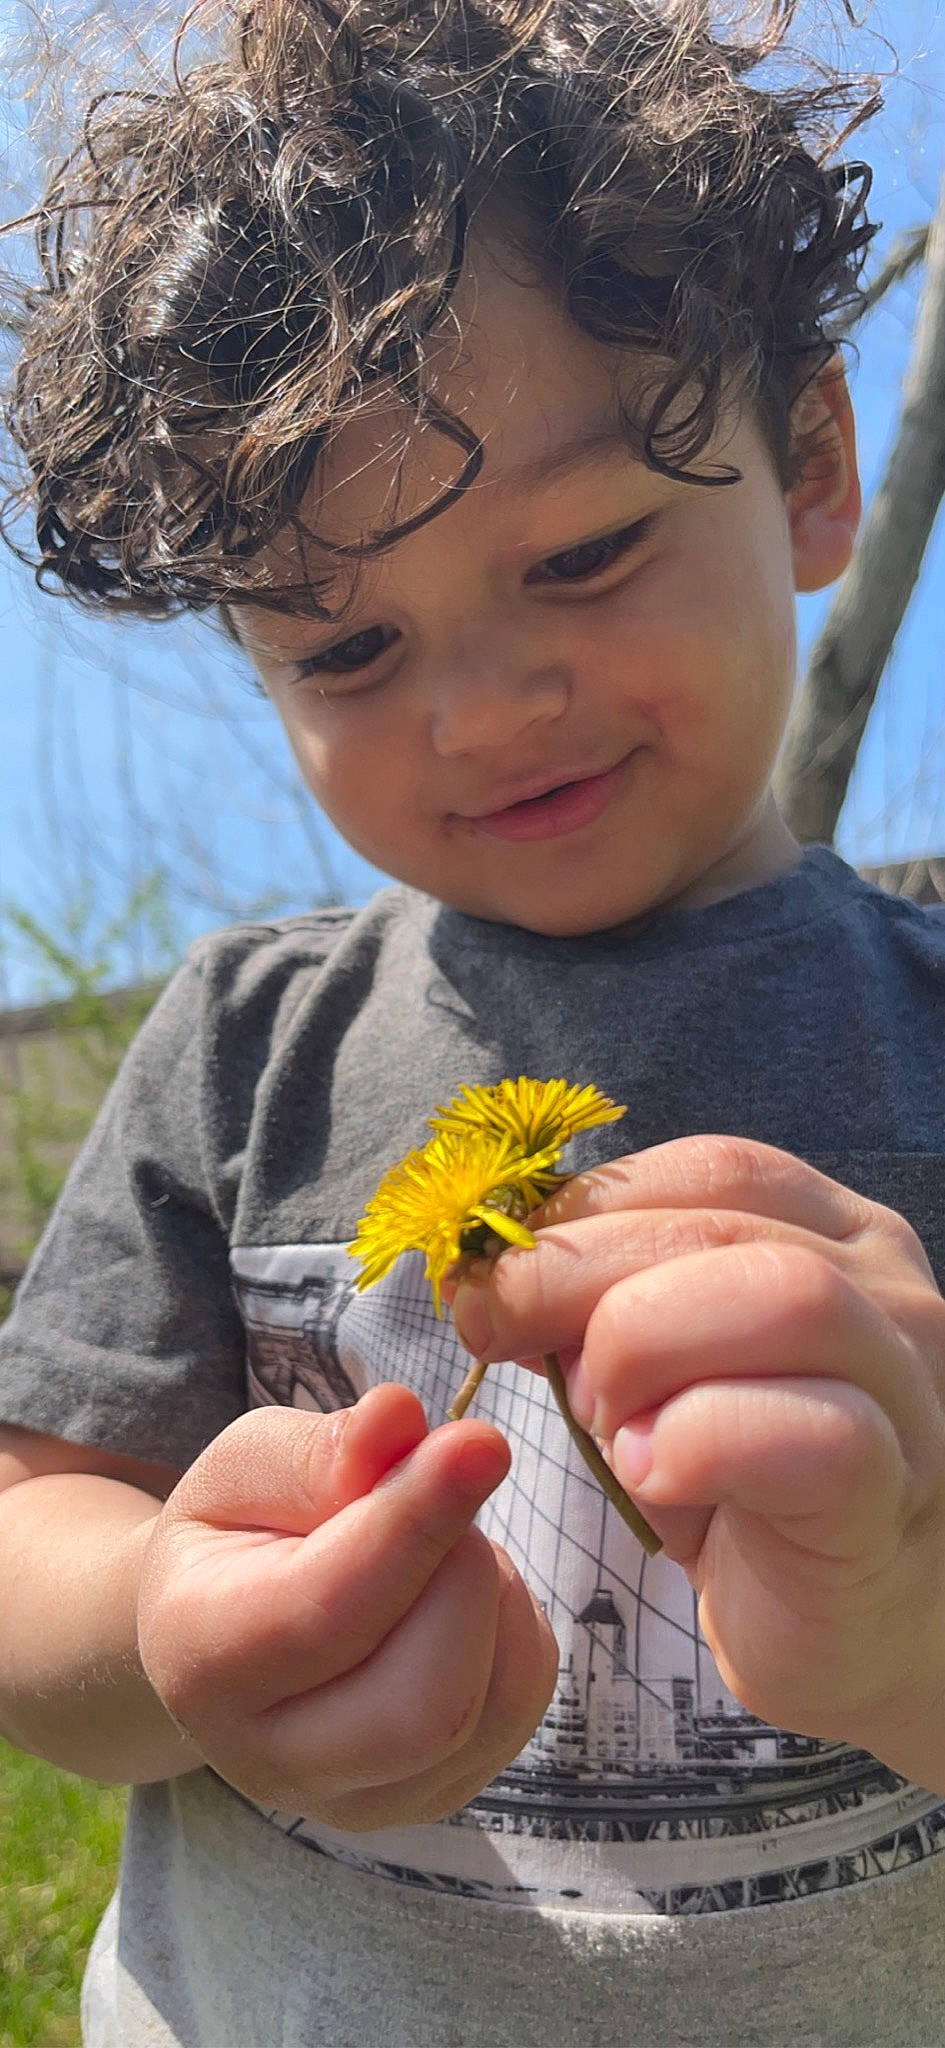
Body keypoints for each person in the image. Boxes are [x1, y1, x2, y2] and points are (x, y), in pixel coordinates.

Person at [2, 0, 945, 2041]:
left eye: (585, 549)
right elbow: (26, 1526)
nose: (483, 708)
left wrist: (898, 1620)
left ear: (806, 465)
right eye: (343, 641)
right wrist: (166, 1620)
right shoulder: (246, 1037)